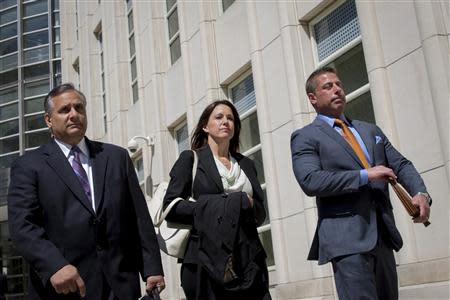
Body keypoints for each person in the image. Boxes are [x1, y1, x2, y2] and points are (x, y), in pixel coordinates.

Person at [7, 83, 165, 300]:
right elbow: (22, 226)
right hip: (64, 289)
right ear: (48, 120)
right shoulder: (29, 166)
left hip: (119, 286)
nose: (74, 114)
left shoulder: (116, 157)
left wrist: (151, 268)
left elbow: (138, 217)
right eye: (64, 110)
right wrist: (54, 265)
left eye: (79, 108)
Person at [290, 66, 432, 300]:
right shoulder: (305, 136)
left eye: (339, 85)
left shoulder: (369, 130)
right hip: (346, 242)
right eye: (328, 86)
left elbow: (401, 164)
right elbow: (310, 180)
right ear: (312, 98)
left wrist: (420, 193)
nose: (337, 89)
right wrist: (366, 175)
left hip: (383, 236)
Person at [163, 100, 271, 300]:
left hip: (248, 260)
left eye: (230, 118)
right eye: (219, 117)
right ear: (205, 126)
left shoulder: (246, 164)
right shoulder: (190, 159)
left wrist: (248, 204)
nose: (225, 122)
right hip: (204, 260)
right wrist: (230, 204)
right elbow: (171, 208)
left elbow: (260, 212)